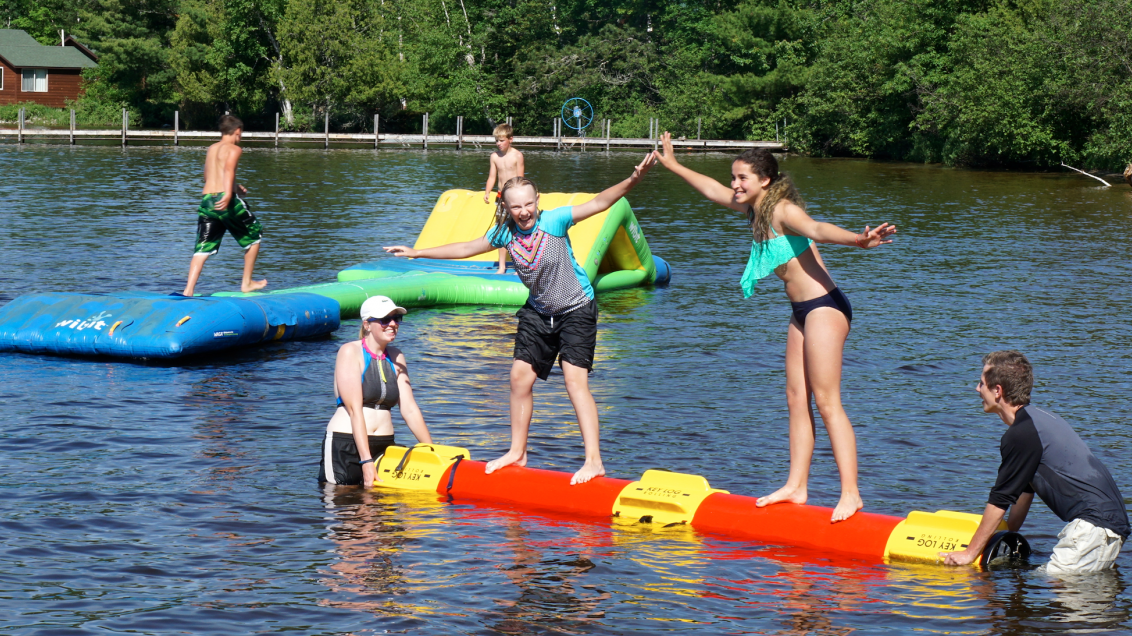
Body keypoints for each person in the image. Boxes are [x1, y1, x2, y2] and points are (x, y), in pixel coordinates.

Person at [652, 132, 896, 522]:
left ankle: (851, 493)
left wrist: (858, 240)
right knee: (796, 398)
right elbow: (711, 190)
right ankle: (797, 486)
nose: (734, 185)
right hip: (801, 313)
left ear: (764, 180)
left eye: (742, 178)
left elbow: (816, 229)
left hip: (825, 308)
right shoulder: (754, 210)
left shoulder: (782, 210)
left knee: (827, 401)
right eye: (733, 177)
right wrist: (675, 164)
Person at [384, 154, 657, 485]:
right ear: (507, 208)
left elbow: (600, 202)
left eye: (529, 204)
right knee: (518, 378)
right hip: (539, 311)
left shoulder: (554, 221)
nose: (524, 212)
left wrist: (634, 179)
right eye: (516, 207)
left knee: (574, 382)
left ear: (537, 201)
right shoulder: (505, 234)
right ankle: (517, 451)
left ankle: (594, 461)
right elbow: (467, 247)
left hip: (576, 310)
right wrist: (417, 252)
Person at [941, 351, 1129, 573]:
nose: (977, 389)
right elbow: (1024, 493)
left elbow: (1000, 499)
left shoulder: (1022, 434)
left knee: (1053, 582)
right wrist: (1006, 533)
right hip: (1107, 526)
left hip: (1094, 527)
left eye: (981, 383)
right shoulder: (1037, 420)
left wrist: (969, 554)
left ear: (998, 391)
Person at [319, 295, 433, 488]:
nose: (392, 324)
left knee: (380, 513)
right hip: (346, 445)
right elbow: (354, 410)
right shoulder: (350, 351)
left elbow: (410, 409)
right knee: (343, 506)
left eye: (396, 319)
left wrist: (432, 450)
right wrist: (366, 460)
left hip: (384, 445)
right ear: (367, 325)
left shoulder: (397, 356)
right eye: (384, 320)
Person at [181, 115, 267, 297]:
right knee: (254, 234)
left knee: (202, 247)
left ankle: (188, 290)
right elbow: (228, 170)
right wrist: (229, 193)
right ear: (237, 132)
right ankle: (247, 283)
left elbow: (207, 177)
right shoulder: (234, 149)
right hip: (225, 199)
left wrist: (235, 186)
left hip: (207, 200)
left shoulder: (212, 148)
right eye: (240, 133)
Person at [484, 123, 525, 275]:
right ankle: (502, 267)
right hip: (501, 199)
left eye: (501, 140)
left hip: (514, 198)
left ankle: (519, 265)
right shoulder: (494, 157)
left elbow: (521, 178)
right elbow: (492, 176)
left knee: (518, 231)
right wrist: (487, 191)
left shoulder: (517, 156)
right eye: (496, 141)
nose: (498, 144)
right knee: (501, 231)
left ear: (510, 139)